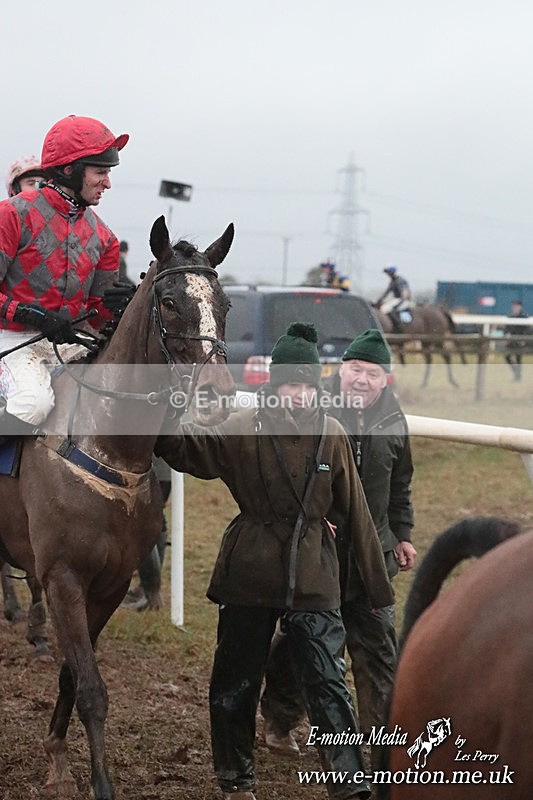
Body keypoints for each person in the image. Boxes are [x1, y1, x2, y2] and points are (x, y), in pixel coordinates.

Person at [155, 322, 394, 800]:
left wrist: (376, 591)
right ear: (273, 383)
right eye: (291, 383)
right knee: (235, 681)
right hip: (250, 568)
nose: (300, 394)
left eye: (307, 385)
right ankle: (235, 779)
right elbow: (188, 449)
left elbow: (359, 516)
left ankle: (349, 782)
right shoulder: (242, 427)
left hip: (313, 572)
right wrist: (161, 407)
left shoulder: (332, 434)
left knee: (329, 681)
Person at [261, 328, 416, 770]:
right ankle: (280, 718)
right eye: (354, 370)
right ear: (339, 371)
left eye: (372, 373)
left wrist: (402, 534)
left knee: (378, 650)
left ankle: (379, 744)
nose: (362, 380)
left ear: (384, 379)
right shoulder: (313, 407)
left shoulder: (394, 419)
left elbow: (400, 483)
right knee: (303, 644)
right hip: (319, 551)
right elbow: (285, 471)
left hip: (374, 554)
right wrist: (310, 515)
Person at [0, 115, 135, 434]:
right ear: (68, 170)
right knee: (33, 404)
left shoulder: (105, 238)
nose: (108, 182)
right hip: (12, 339)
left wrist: (118, 306)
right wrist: (33, 314)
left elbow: (97, 317)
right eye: (100, 171)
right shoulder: (11, 215)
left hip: (69, 341)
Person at [375, 265, 412, 332]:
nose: (388, 274)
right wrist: (378, 301)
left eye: (388, 272)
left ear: (392, 272)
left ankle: (399, 327)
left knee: (391, 310)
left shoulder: (400, 281)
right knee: (384, 308)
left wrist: (398, 304)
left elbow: (404, 294)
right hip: (397, 299)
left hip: (404, 300)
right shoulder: (392, 281)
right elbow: (386, 293)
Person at [503, 299, 529, 381]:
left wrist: (523, 339)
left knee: (518, 358)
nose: (515, 307)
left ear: (520, 307)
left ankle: (518, 376)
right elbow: (506, 329)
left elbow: (526, 329)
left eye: (516, 306)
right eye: (514, 305)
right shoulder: (510, 317)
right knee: (507, 357)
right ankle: (516, 372)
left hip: (519, 340)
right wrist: (506, 337)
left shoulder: (524, 317)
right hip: (511, 340)